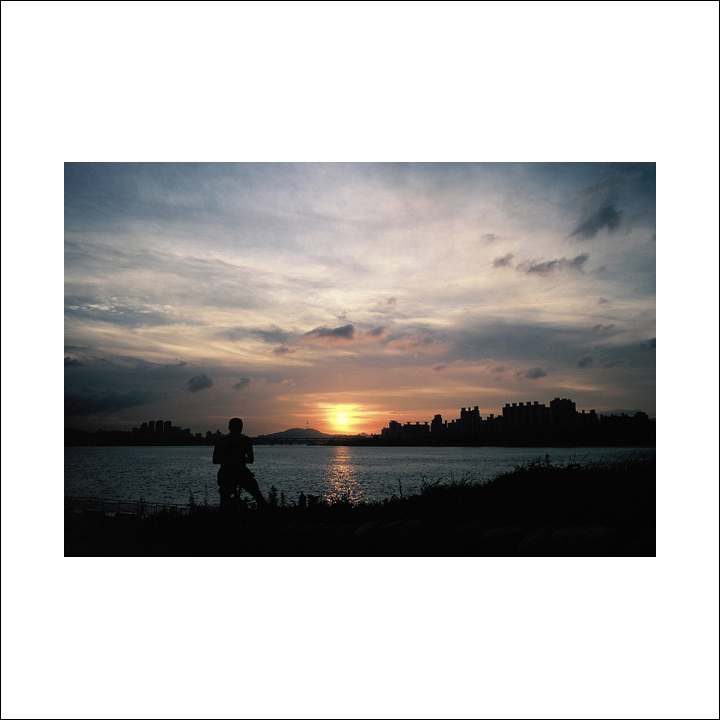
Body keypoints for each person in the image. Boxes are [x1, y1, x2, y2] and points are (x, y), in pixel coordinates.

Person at [212, 418, 267, 511]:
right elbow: (251, 459)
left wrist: (227, 460)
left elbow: (215, 460)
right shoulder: (245, 440)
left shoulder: (221, 441)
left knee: (224, 502)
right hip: (241, 472)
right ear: (241, 428)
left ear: (229, 427)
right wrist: (239, 460)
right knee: (258, 496)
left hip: (225, 472)